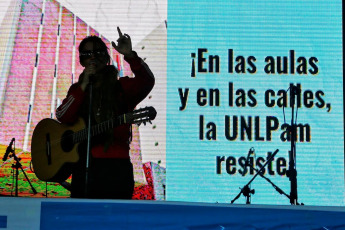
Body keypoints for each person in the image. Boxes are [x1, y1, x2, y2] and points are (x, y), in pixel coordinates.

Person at [56, 27, 155, 199]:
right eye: (87, 54)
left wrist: (130, 55)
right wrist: (83, 86)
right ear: (81, 61)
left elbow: (146, 81)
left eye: (98, 52)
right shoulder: (77, 89)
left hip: (116, 167)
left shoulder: (122, 87)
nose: (93, 57)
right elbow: (62, 116)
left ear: (106, 57)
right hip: (83, 167)